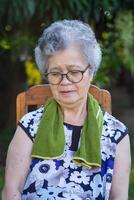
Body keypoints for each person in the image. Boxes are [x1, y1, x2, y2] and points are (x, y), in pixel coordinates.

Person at [2, 19, 131, 200]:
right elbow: (11, 192)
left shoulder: (117, 135)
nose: (65, 82)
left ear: (91, 71)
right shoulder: (30, 125)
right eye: (55, 73)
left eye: (74, 71)